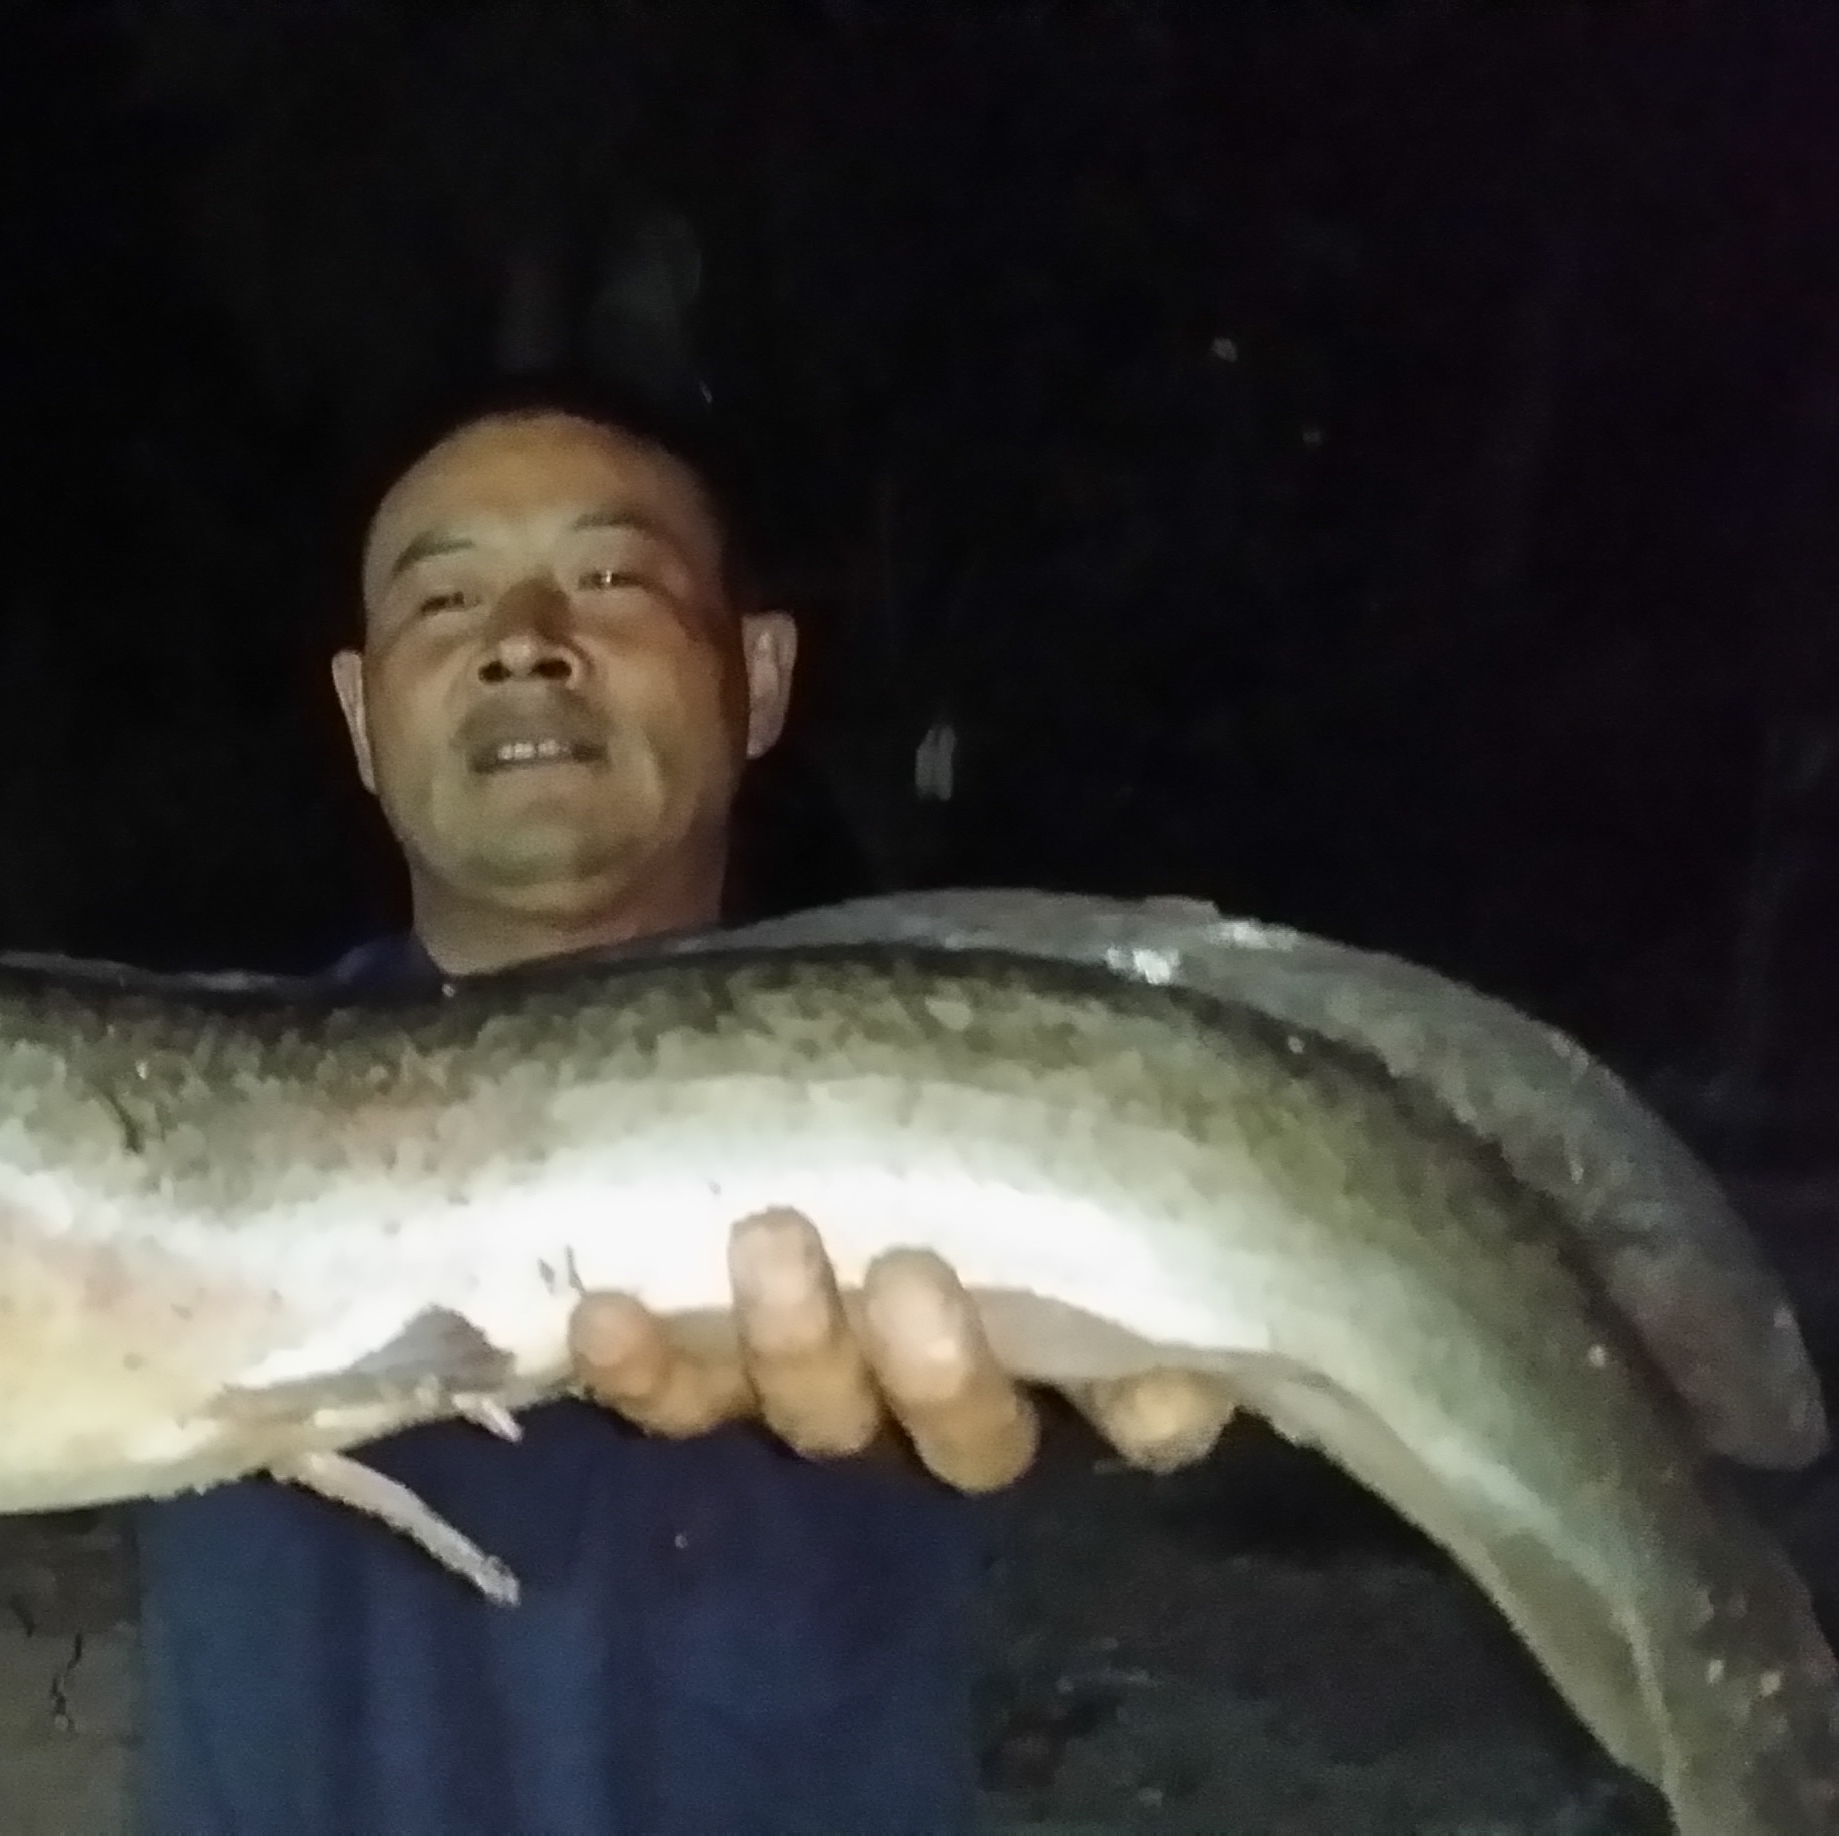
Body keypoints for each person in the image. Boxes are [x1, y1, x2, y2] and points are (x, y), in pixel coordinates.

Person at [131, 375, 1240, 1836]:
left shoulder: (947, 1067)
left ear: (759, 678)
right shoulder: (170, 1095)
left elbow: (1105, 1403)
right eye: (444, 601)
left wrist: (1084, 1377)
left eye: (611, 579)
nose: (524, 640)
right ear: (358, 712)